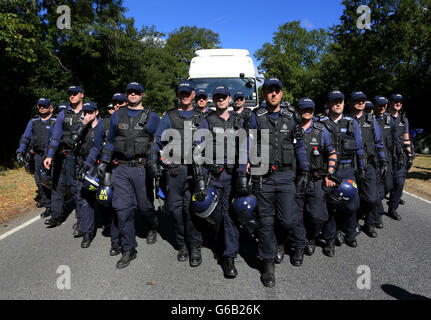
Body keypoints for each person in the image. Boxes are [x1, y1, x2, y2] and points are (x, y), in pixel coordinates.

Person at [247, 77, 309, 287]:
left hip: (285, 177)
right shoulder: (255, 117)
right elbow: (248, 144)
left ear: (282, 94)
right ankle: (267, 264)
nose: (273, 94)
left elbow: (299, 145)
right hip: (263, 178)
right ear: (264, 94)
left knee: (288, 220)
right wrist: (244, 167)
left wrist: (305, 171)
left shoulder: (292, 117)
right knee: (265, 222)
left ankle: (280, 242)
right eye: (269, 91)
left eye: (277, 91)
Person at [97, 82, 160, 269]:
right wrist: (103, 162)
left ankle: (151, 225)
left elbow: (159, 141)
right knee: (122, 209)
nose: (133, 94)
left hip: (142, 168)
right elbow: (110, 142)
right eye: (130, 92)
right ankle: (128, 248)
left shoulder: (153, 117)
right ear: (126, 95)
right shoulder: (117, 115)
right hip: (121, 168)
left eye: (137, 92)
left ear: (143, 94)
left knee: (145, 206)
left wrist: (155, 160)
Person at [193, 85, 247, 279]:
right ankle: (217, 243)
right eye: (217, 97)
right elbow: (197, 150)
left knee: (230, 217)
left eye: (223, 97)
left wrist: (241, 174)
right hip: (212, 176)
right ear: (213, 100)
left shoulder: (239, 121)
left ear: (229, 99)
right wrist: (199, 177)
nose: (220, 100)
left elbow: (243, 149)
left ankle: (229, 258)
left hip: (232, 177)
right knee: (215, 218)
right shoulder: (207, 121)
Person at [156, 80, 204, 267]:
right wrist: (156, 158)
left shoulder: (202, 116)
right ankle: (182, 245)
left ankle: (195, 247)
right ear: (178, 95)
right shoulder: (169, 116)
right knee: (175, 211)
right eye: (181, 93)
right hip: (174, 171)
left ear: (193, 94)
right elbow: (157, 141)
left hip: (195, 171)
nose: (184, 96)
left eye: (188, 93)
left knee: (193, 210)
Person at [320, 90, 364, 256]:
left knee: (352, 205)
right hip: (328, 171)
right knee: (330, 207)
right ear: (329, 104)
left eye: (340, 101)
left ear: (344, 103)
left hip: (348, 170)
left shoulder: (351, 123)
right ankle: (330, 240)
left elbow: (359, 149)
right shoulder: (321, 123)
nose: (338, 104)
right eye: (334, 101)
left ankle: (349, 232)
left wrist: (362, 168)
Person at [294, 98, 337, 256]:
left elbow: (332, 153)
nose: (307, 112)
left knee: (317, 215)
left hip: (315, 180)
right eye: (304, 109)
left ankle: (312, 235)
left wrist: (330, 173)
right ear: (298, 110)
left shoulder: (321, 130)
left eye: (310, 109)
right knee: (295, 214)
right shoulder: (291, 128)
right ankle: (302, 240)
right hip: (295, 179)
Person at [43, 86, 85, 229]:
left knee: (77, 188)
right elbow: (55, 136)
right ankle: (56, 216)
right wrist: (49, 155)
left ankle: (82, 219)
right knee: (57, 186)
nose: (72, 96)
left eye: (75, 94)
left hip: (79, 157)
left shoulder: (88, 112)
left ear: (82, 95)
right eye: (70, 94)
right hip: (62, 155)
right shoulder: (63, 114)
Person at [347, 91, 387, 238]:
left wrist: (383, 160)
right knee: (351, 198)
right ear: (350, 102)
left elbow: (378, 141)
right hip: (351, 165)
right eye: (357, 100)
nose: (361, 102)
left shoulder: (371, 119)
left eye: (363, 100)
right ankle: (351, 223)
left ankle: (369, 223)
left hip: (369, 163)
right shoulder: (345, 119)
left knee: (372, 198)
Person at [17, 98, 56, 218]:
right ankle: (49, 206)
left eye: (44, 106)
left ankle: (57, 207)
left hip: (53, 156)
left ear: (51, 107)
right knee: (40, 182)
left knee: (54, 182)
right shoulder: (33, 121)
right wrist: (20, 151)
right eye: (39, 106)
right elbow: (26, 137)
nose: (41, 108)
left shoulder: (56, 121)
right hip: (38, 156)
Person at [73, 101, 105, 248]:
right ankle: (87, 232)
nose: (87, 115)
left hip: (97, 166)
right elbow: (71, 141)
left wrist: (88, 165)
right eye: (85, 112)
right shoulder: (82, 127)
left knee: (104, 198)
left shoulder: (101, 127)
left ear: (96, 112)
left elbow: (97, 147)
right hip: (82, 166)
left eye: (90, 112)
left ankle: (109, 222)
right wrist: (82, 125)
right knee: (84, 199)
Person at [372, 95, 398, 229]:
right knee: (375, 186)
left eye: (384, 105)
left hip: (387, 157)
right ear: (374, 106)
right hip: (373, 158)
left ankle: (374, 203)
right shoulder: (369, 120)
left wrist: (399, 153)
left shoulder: (390, 120)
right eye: (379, 105)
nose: (382, 107)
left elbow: (394, 138)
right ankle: (377, 215)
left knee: (388, 185)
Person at [387, 94, 413, 220]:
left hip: (400, 155)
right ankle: (374, 210)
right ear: (390, 102)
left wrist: (409, 153)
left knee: (399, 182)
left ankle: (393, 207)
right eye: (396, 101)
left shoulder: (404, 119)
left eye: (400, 102)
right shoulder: (383, 117)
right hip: (386, 155)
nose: (398, 104)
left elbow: (406, 136)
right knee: (385, 184)